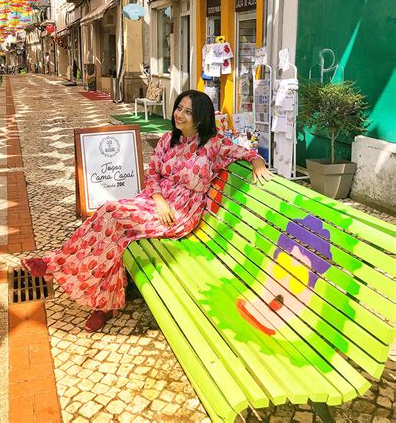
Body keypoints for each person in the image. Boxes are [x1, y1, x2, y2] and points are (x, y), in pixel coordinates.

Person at [22, 90, 272, 332]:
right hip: (157, 203)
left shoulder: (213, 145)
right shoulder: (167, 139)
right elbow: (152, 173)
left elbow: (247, 152)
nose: (179, 115)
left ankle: (56, 265)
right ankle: (102, 302)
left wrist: (258, 163)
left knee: (111, 213)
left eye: (188, 112)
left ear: (201, 118)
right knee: (114, 229)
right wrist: (159, 200)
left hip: (180, 213)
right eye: (179, 108)